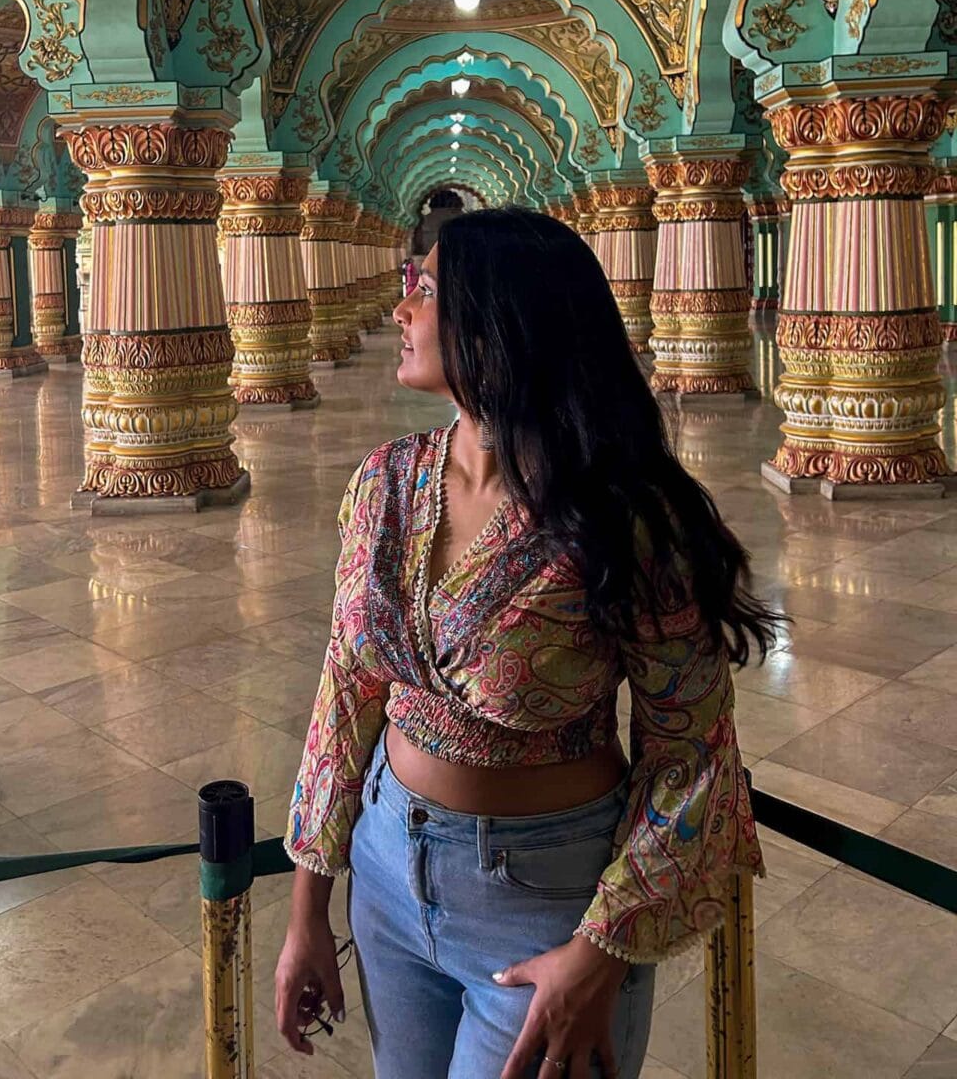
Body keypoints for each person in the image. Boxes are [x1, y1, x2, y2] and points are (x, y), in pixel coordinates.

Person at [276, 207, 777, 1079]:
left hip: (547, 901)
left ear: (501, 320)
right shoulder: (386, 484)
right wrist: (306, 910)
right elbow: (347, 693)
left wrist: (602, 952)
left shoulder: (625, 520)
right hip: (388, 873)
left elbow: (691, 754)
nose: (400, 311)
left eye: (424, 291)